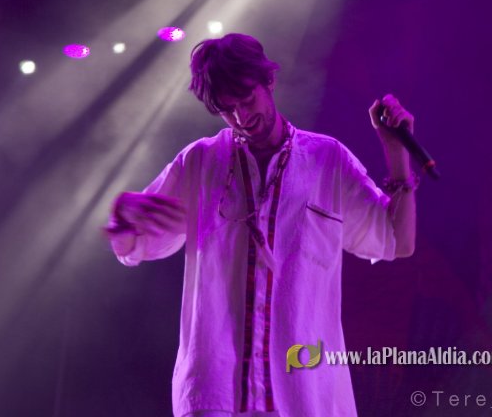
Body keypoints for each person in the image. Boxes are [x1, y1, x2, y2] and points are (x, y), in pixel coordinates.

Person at [106, 33, 417, 417]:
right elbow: (133, 245)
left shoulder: (327, 160)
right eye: (227, 109)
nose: (241, 117)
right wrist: (122, 218)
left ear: (268, 80)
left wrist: (396, 152)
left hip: (303, 397)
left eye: (246, 99)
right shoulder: (200, 162)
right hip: (215, 397)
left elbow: (397, 241)